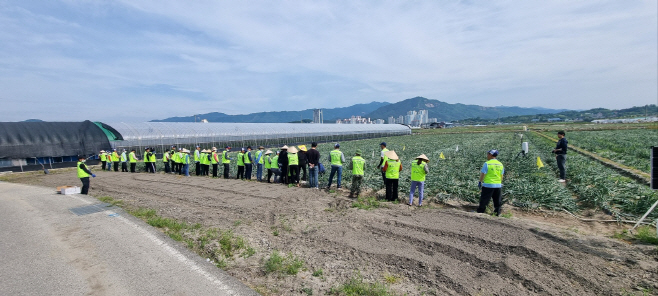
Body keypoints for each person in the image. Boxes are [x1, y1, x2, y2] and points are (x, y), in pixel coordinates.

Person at [477, 149, 505, 216]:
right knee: (497, 201)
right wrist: (499, 182)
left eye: (488, 154)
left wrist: (480, 182)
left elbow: (483, 174)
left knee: (484, 199)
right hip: (498, 185)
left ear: (490, 155)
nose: (487, 155)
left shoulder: (487, 163)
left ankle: (480, 212)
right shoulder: (500, 164)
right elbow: (502, 176)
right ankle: (497, 213)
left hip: (488, 185)